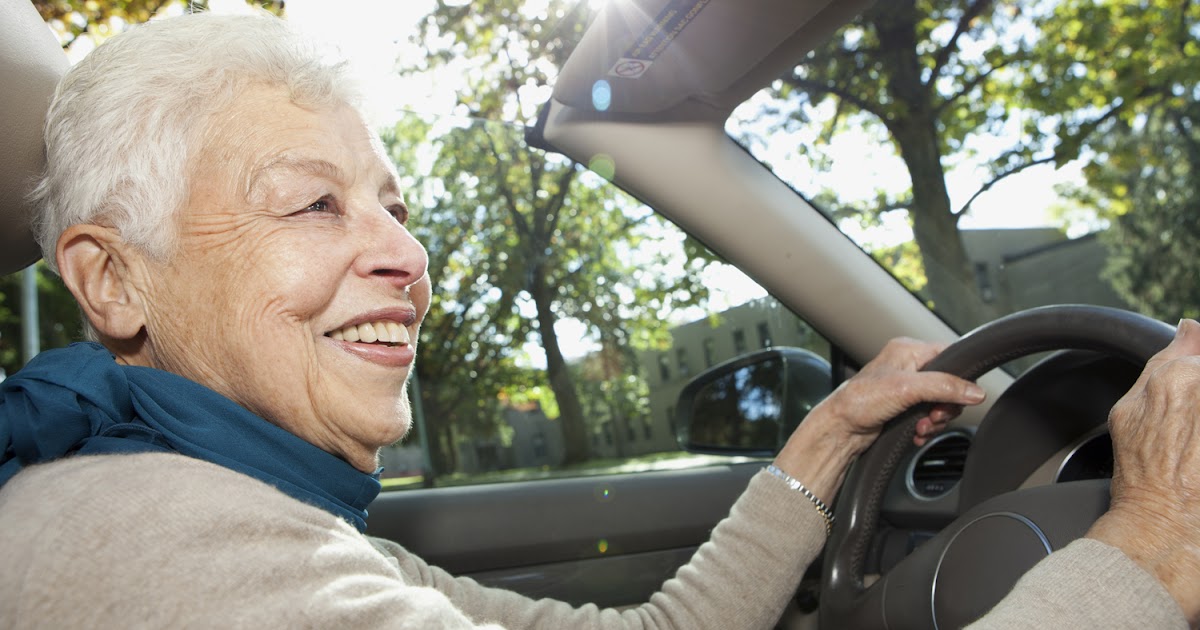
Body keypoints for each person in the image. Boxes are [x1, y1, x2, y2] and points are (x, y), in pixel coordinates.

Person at [0, 11, 1194, 629]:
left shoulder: (238, 507)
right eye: (314, 204)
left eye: (397, 208)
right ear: (112, 281)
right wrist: (1145, 547)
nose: (407, 256)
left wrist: (830, 435)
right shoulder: (163, 546)